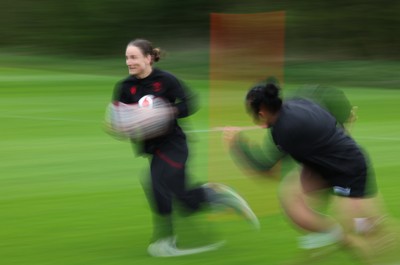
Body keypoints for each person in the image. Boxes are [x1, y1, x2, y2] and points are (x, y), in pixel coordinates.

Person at [108, 39, 259, 257]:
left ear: (148, 58)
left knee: (157, 183)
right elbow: (120, 119)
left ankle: (166, 241)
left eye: (133, 57)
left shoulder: (165, 80)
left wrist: (167, 112)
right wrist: (121, 126)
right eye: (127, 57)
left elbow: (191, 102)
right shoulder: (124, 87)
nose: (128, 62)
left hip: (174, 145)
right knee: (185, 201)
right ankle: (215, 195)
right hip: (152, 148)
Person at [224, 80, 399, 263]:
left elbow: (265, 168)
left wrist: (236, 145)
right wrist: (346, 118)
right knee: (292, 199)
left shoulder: (284, 130)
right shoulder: (295, 102)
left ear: (261, 112)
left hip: (347, 171)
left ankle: (366, 243)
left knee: (364, 231)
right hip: (322, 167)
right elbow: (327, 93)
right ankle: (337, 239)